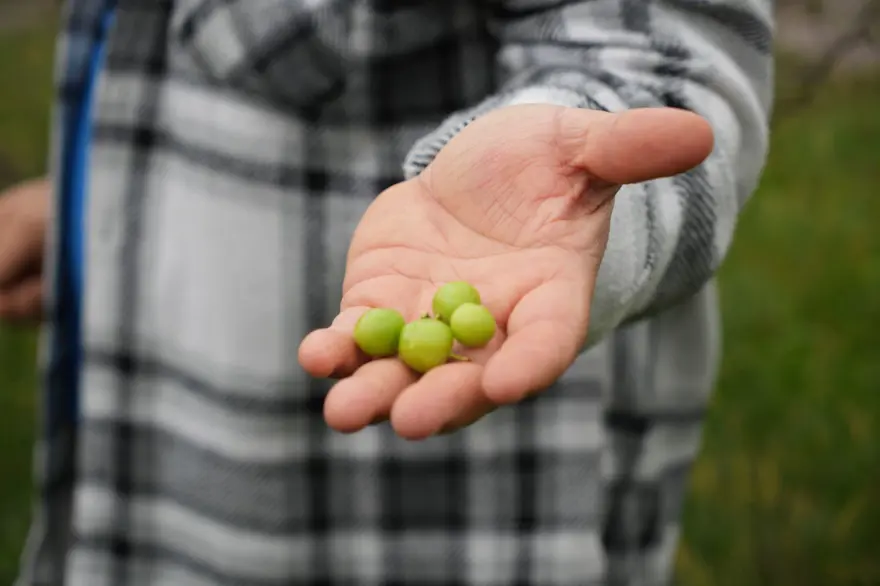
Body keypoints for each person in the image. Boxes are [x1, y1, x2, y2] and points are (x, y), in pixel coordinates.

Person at [0, 0, 772, 584]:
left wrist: (574, 178)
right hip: (164, 460)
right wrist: (85, 208)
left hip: (444, 512)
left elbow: (663, 52)